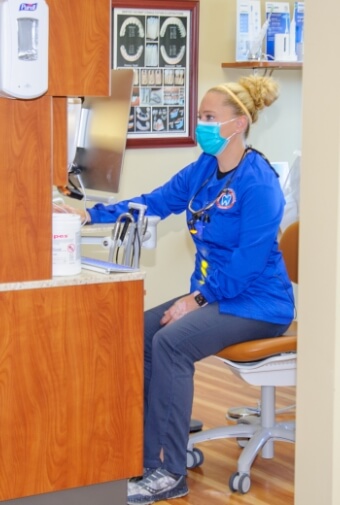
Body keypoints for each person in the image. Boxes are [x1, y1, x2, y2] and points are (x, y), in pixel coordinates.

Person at [60, 74, 295, 504]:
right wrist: (91, 216)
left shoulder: (258, 183)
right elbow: (156, 201)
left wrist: (196, 299)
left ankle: (167, 471)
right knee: (142, 329)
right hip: (218, 294)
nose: (199, 125)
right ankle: (147, 450)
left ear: (238, 124)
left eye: (209, 117)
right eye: (199, 116)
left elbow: (248, 263)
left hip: (259, 302)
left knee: (171, 343)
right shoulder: (205, 170)